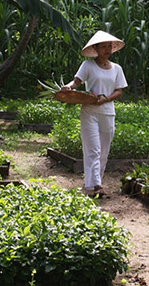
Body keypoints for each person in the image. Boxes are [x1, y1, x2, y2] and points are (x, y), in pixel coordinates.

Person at [61, 30, 128, 198]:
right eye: (103, 46)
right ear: (96, 49)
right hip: (89, 110)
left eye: (109, 47)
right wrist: (68, 87)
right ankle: (96, 185)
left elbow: (119, 90)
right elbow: (77, 81)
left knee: (104, 150)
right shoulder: (88, 65)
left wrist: (105, 99)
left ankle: (93, 182)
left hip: (108, 112)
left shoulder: (117, 69)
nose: (107, 49)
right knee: (93, 149)